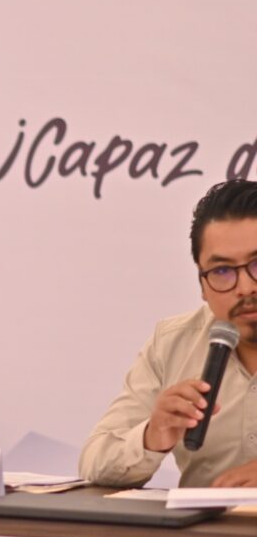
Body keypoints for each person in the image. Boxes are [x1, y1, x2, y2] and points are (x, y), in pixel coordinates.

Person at [81, 179, 257, 497]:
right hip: (204, 530)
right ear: (202, 287)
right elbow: (95, 461)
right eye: (222, 271)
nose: (245, 287)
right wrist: (152, 436)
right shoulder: (172, 343)